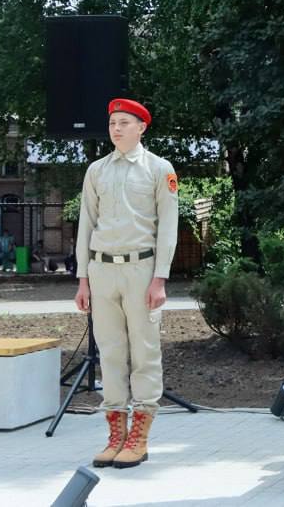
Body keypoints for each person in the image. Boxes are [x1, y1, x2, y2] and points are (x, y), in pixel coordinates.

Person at [73, 98, 178, 470]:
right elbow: (86, 223)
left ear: (141, 128)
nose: (116, 128)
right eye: (113, 122)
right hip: (102, 271)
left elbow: (168, 226)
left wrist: (160, 279)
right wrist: (82, 278)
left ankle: (140, 436)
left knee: (145, 352)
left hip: (141, 270)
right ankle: (115, 433)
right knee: (111, 352)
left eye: (124, 122)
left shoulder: (158, 169)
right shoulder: (96, 171)